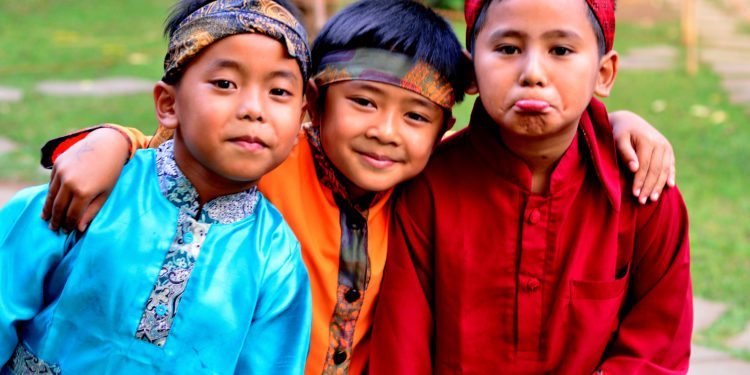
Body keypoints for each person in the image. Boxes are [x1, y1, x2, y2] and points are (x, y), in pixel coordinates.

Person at [36, 0, 676, 373]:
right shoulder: (288, 161)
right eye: (362, 103)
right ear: (313, 105)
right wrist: (111, 138)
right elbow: (185, 151)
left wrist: (617, 122)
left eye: (416, 117)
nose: (386, 134)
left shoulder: (636, 192)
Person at [370, 0, 692, 374]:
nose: (533, 73)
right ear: (470, 70)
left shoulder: (644, 194)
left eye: (561, 50)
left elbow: (657, 351)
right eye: (508, 49)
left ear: (604, 73)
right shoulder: (428, 189)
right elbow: (401, 351)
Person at [0, 0, 312, 373]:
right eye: (225, 83)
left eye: (278, 92)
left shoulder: (276, 259)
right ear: (168, 104)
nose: (253, 109)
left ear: (300, 123)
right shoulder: (93, 192)